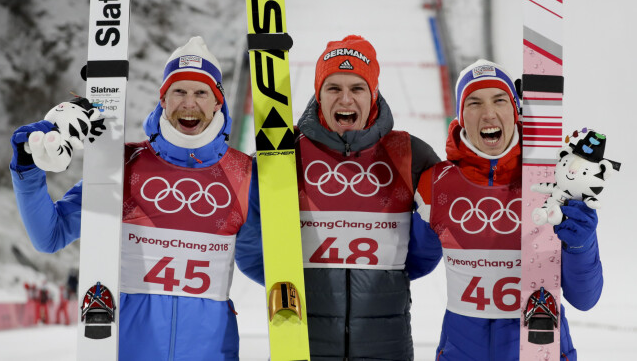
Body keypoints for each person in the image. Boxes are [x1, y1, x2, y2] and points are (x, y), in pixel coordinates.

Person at [9, 36, 263, 360]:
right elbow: (50, 235)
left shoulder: (244, 174)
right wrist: (28, 166)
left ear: (217, 102)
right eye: (179, 91)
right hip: (129, 351)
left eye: (201, 92)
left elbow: (259, 262)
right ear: (163, 100)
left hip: (211, 352)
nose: (189, 102)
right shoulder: (126, 166)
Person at [248, 35, 442, 360]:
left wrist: (384, 283)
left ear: (374, 93)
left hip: (385, 341)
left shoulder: (411, 154)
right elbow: (251, 249)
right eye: (333, 88)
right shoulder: (283, 153)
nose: (346, 99)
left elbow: (424, 255)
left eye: (357, 88)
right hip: (302, 339)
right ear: (319, 95)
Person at [408, 59, 603, 361]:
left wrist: (581, 244)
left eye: (499, 100)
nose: (489, 113)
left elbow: (585, 297)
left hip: (541, 351)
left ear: (515, 109)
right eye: (474, 103)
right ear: (460, 116)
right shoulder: (436, 185)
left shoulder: (553, 183)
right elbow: (410, 265)